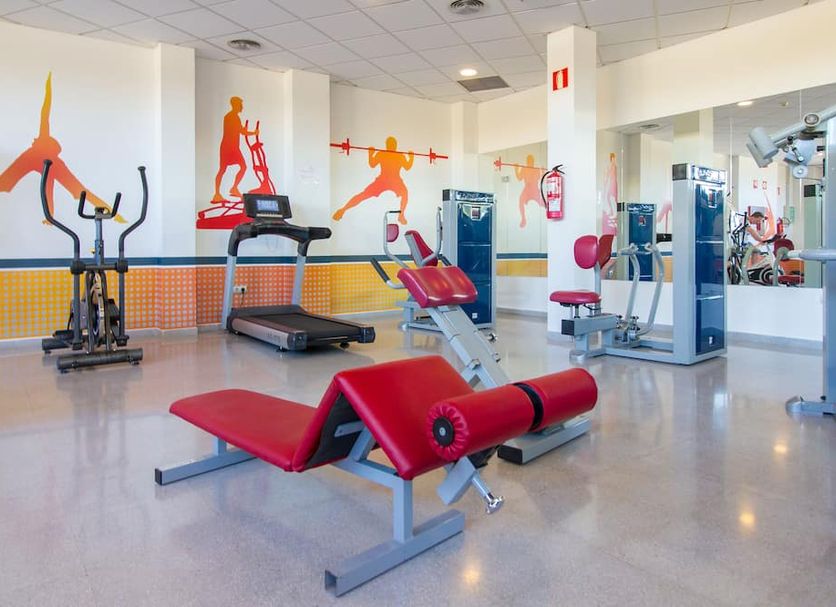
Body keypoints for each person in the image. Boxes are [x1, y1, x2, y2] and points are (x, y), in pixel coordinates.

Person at [0, 73, 124, 223]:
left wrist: (48, 89)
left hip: (38, 161)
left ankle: (51, 216)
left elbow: (45, 113)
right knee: (11, 182)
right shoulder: (48, 158)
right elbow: (75, 190)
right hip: (34, 160)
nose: (34, 140)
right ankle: (51, 216)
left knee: (54, 187)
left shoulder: (47, 151)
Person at [333, 136, 414, 224]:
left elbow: (407, 167)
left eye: (392, 144)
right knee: (363, 195)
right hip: (384, 180)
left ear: (395, 145)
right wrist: (370, 153)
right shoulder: (385, 154)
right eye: (390, 144)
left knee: (405, 194)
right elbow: (373, 165)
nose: (391, 146)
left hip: (393, 181)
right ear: (387, 145)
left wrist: (411, 157)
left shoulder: (396, 155)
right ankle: (343, 210)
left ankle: (401, 215)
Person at [213, 96, 258, 203]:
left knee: (242, 167)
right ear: (236, 105)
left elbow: (239, 130)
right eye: (240, 105)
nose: (242, 107)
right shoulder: (231, 117)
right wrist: (254, 133)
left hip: (232, 147)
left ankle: (233, 188)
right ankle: (217, 194)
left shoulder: (233, 117)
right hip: (228, 147)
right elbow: (241, 131)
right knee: (223, 169)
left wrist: (244, 130)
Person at [514, 154, 544, 228]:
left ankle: (549, 209)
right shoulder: (524, 169)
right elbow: (519, 178)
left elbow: (540, 178)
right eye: (528, 161)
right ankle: (523, 219)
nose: (530, 163)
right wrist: (516, 169)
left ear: (533, 162)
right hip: (527, 189)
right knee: (521, 200)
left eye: (531, 161)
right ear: (527, 162)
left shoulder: (536, 169)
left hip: (534, 189)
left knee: (541, 203)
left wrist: (543, 171)